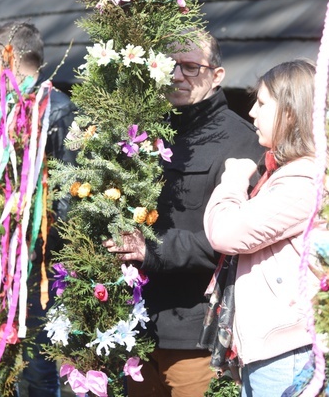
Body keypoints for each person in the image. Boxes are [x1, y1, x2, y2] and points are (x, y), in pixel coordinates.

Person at [103, 31, 264, 397]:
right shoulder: (142, 133)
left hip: (195, 338)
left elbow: (235, 243)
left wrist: (152, 250)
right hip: (138, 332)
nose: (177, 76)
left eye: (191, 67)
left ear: (217, 75)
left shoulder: (242, 142)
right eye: (169, 66)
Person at [204, 60, 321, 397]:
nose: (252, 112)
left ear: (290, 112)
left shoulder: (302, 181)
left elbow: (225, 232)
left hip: (288, 352)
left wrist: (233, 181)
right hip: (275, 349)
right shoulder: (285, 174)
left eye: (263, 103)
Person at [0, 21, 76, 397]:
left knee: (38, 368)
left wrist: (42, 254)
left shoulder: (57, 110)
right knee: (7, 364)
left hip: (37, 264)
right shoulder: (5, 107)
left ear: (10, 55)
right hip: (3, 261)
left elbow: (68, 195)